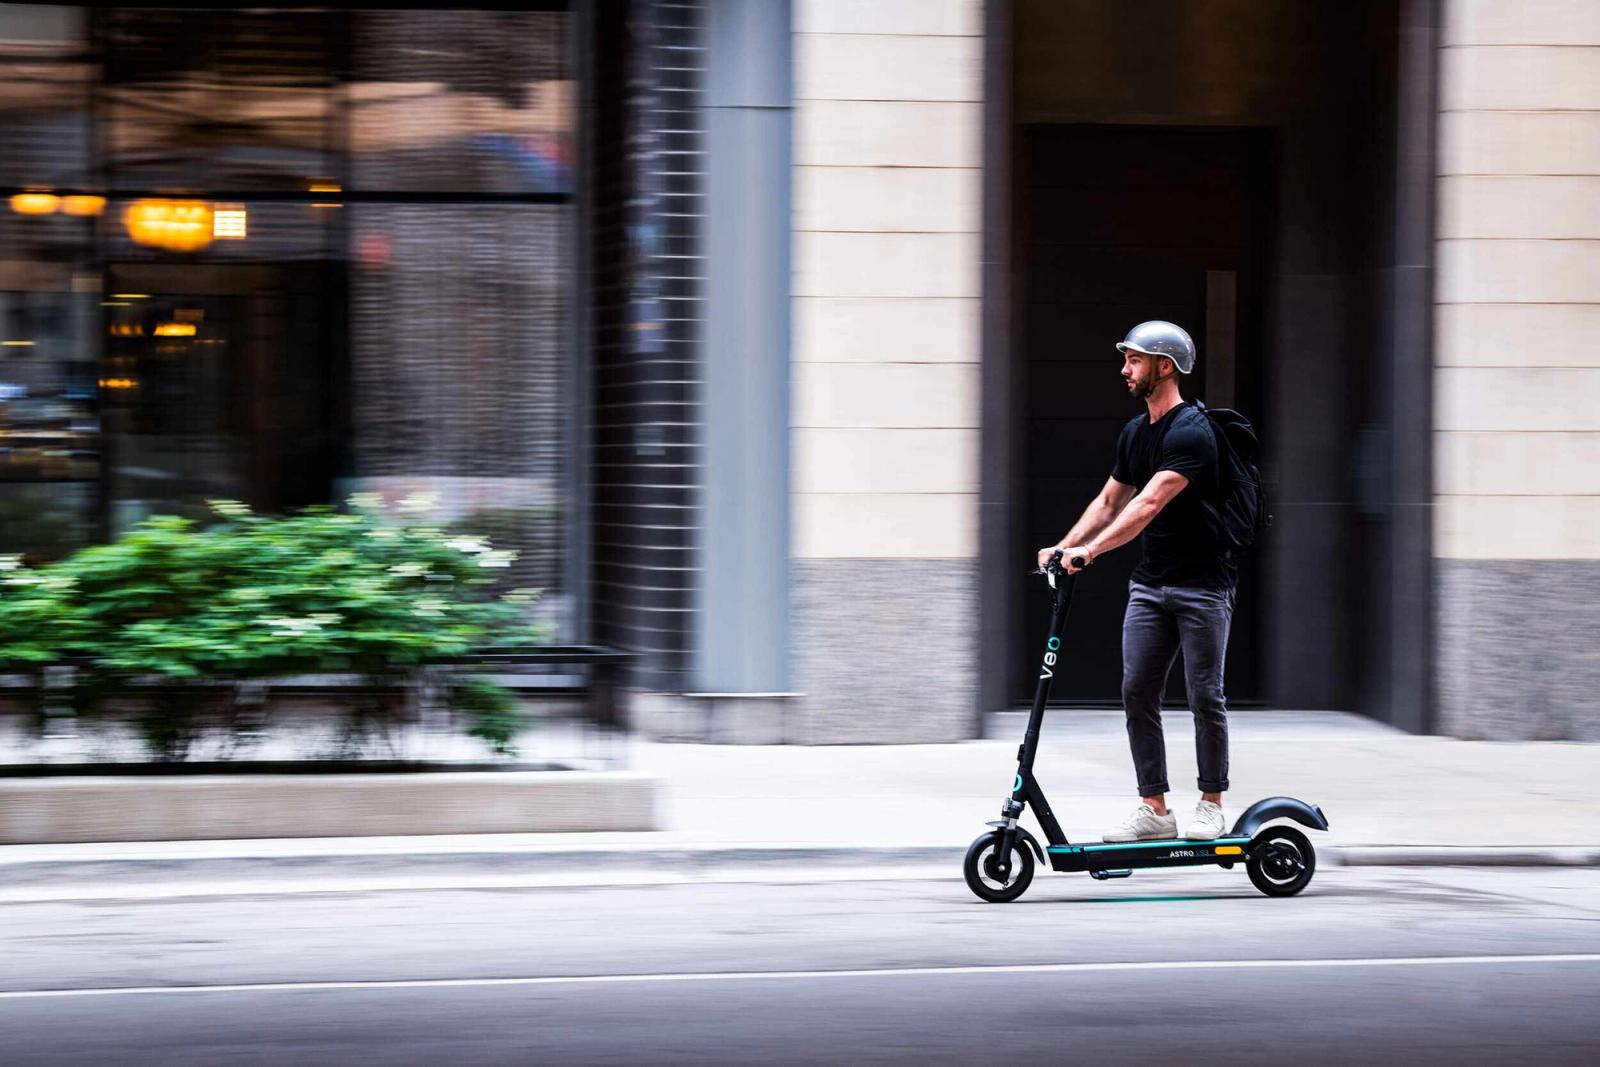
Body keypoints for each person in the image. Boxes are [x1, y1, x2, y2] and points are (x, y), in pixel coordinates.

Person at [1035, 320, 1236, 843]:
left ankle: (1211, 804)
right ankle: (1155, 808)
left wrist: (1091, 552)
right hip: (1151, 585)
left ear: (1163, 367)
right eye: (1125, 359)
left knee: (1203, 696)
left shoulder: (1193, 432)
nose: (1124, 369)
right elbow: (1110, 501)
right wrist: (1064, 546)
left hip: (1202, 587)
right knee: (1137, 692)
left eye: (1134, 361)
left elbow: (1146, 505)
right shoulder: (1135, 433)